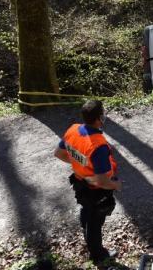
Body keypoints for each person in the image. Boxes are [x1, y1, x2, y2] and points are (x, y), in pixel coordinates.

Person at [54, 100, 121, 264]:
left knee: (87, 210)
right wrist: (115, 185)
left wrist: (80, 166)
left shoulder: (73, 130)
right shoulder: (98, 146)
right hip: (94, 189)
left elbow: (58, 153)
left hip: (80, 182)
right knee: (95, 221)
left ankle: (87, 233)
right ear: (99, 118)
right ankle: (98, 255)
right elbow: (102, 181)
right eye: (103, 113)